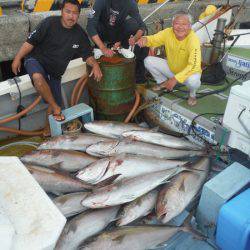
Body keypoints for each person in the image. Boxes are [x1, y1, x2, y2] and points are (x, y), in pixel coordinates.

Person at [12, 0, 102, 129]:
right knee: (38, 79)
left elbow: (87, 55)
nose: (71, 16)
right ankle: (55, 107)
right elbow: (30, 42)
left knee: (55, 104)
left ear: (79, 15)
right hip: (36, 61)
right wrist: (17, 58)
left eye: (75, 13)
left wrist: (95, 65)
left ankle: (47, 131)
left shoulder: (80, 34)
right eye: (68, 11)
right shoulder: (49, 23)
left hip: (55, 73)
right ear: (62, 12)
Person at [137, 11, 202, 106]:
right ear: (172, 25)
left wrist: (175, 79)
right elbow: (154, 39)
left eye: (184, 24)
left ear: (189, 26)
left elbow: (194, 66)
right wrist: (145, 39)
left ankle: (192, 95)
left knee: (194, 81)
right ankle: (163, 82)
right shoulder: (168, 32)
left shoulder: (193, 40)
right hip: (172, 69)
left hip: (188, 74)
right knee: (148, 61)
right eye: (177, 23)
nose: (180, 27)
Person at [86, 0, 149, 83]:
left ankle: (123, 47)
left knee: (133, 24)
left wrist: (135, 38)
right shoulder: (100, 1)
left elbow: (142, 26)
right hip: (102, 33)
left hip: (117, 33)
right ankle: (98, 48)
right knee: (94, 23)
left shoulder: (131, 3)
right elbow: (90, 26)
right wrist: (103, 48)